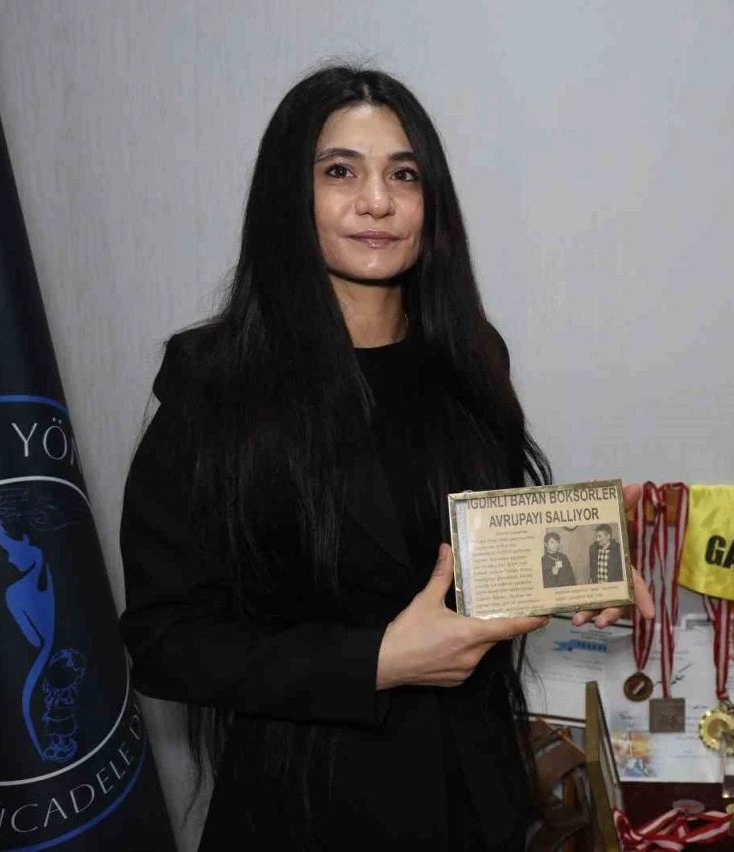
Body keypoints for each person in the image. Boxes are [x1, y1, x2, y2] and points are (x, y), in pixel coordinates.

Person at [118, 65, 653, 851]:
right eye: (341, 172)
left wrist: (582, 559)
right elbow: (166, 644)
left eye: (404, 175)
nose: (377, 201)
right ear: (288, 195)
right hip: (309, 809)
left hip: (476, 794)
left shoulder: (472, 356)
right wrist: (376, 660)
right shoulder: (213, 382)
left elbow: (460, 554)